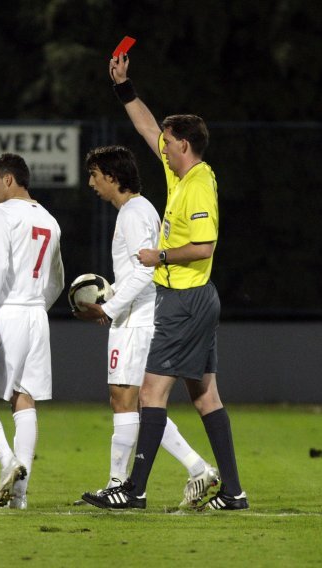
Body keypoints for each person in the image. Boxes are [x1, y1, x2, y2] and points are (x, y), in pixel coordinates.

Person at [83, 54, 247, 511]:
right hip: (193, 298)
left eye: (169, 143)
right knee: (206, 395)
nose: (162, 147)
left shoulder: (196, 184)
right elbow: (146, 126)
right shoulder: (180, 174)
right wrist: (123, 86)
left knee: (150, 392)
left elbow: (205, 246)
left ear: (186, 146)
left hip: (185, 298)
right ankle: (233, 492)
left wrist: (160, 256)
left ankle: (133, 490)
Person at [76, 145, 219, 508]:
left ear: (111, 176)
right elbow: (134, 270)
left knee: (128, 400)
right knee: (132, 402)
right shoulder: (134, 210)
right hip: (134, 316)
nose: (91, 183)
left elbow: (145, 269)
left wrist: (109, 307)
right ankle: (186, 470)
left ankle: (127, 482)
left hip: (137, 319)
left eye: (94, 175)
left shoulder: (135, 212)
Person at [0, 153, 64, 510]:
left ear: (9, 180)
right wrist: (37, 305)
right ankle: (17, 498)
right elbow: (58, 281)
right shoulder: (49, 220)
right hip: (38, 316)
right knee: (24, 398)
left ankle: (8, 461)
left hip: (8, 312)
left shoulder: (0, 213)